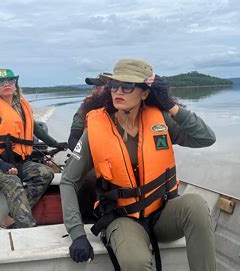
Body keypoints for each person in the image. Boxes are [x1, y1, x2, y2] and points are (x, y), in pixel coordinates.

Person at [60, 59, 216, 270]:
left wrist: (171, 105)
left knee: (196, 205)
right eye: (114, 85)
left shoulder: (160, 120)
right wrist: (77, 233)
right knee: (136, 262)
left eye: (127, 86)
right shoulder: (94, 130)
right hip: (122, 218)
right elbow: (69, 180)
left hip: (161, 212)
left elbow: (206, 138)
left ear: (144, 93)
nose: (118, 91)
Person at [0, 68, 68, 229]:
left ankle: (10, 219)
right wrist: (0, 164)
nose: (6, 84)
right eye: (1, 82)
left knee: (45, 174)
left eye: (10, 81)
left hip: (16, 162)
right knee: (12, 181)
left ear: (16, 85)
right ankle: (27, 228)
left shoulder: (21, 105)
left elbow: (35, 129)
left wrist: (56, 144)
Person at [67, 72, 111, 151]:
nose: (94, 90)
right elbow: (73, 139)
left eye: (98, 87)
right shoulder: (85, 107)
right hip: (89, 153)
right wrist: (85, 155)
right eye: (94, 87)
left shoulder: (121, 108)